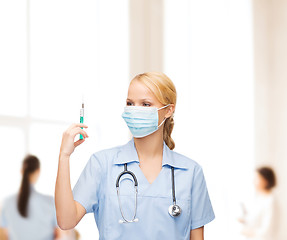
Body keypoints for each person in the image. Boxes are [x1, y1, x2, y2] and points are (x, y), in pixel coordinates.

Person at [55, 72, 215, 240]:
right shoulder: (102, 164)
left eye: (145, 104)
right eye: (130, 103)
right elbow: (66, 221)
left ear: (168, 110)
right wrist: (64, 156)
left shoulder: (190, 172)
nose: (135, 110)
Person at [0, 155, 61, 240]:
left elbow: (4, 235)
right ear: (38, 171)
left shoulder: (6, 203)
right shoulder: (50, 202)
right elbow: (60, 234)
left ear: (21, 171)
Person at [238, 166, 277, 240]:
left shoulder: (271, 201)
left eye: (256, 179)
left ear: (265, 181)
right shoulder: (259, 199)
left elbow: (267, 230)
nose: (253, 182)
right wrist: (244, 220)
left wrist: (248, 232)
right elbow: (256, 219)